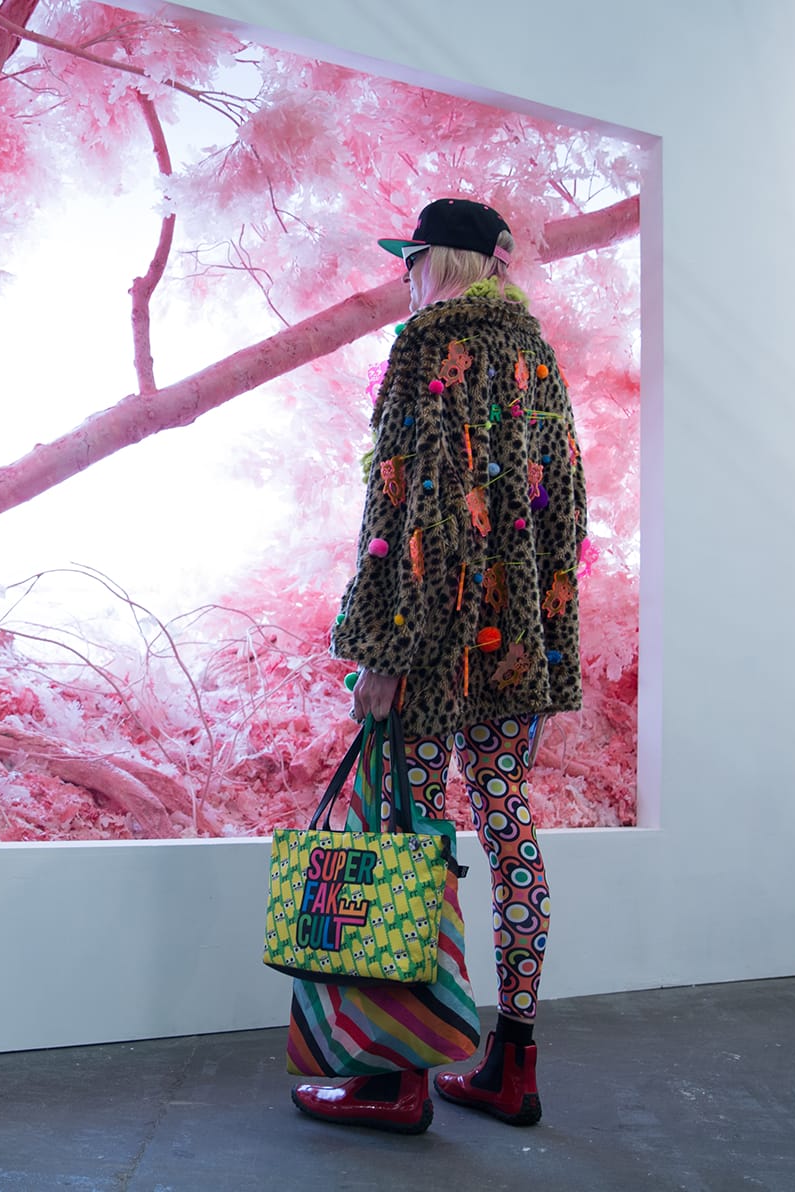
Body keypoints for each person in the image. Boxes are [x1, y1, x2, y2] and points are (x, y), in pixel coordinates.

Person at [292, 198, 587, 1133]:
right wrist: (537, 637)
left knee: (409, 834)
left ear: (439, 262)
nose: (403, 275)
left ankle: (397, 1073)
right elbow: (566, 509)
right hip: (513, 650)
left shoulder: (427, 349)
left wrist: (385, 653)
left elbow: (410, 518)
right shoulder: (537, 356)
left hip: (432, 647)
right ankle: (514, 1060)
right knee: (508, 827)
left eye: (409, 258)